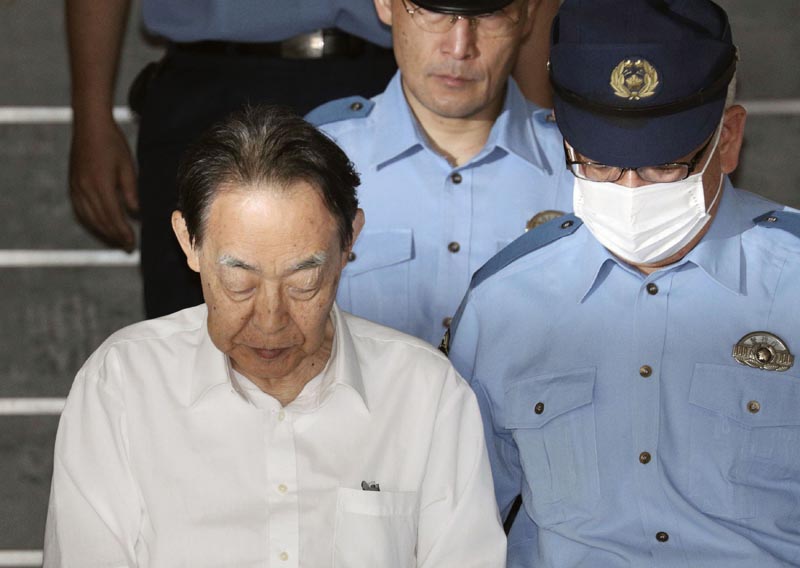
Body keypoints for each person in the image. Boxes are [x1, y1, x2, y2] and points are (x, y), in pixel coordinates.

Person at [44, 106, 506, 567]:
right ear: (189, 242)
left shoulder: (426, 393)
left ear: (350, 243)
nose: (270, 320)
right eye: (239, 282)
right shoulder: (123, 384)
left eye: (303, 283)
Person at [445, 0, 800, 566]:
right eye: (602, 165)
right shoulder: (502, 303)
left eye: (664, 166)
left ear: (727, 141)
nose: (631, 189)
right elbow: (455, 527)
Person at [66, 0, 398, 318]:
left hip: (376, 79)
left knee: (386, 337)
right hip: (207, 86)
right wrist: (91, 119)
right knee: (191, 350)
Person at [307, 0, 573, 346]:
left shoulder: (586, 170)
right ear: (386, 5)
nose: (460, 47)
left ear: (528, 15)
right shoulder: (315, 162)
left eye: (488, 14)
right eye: (434, 11)